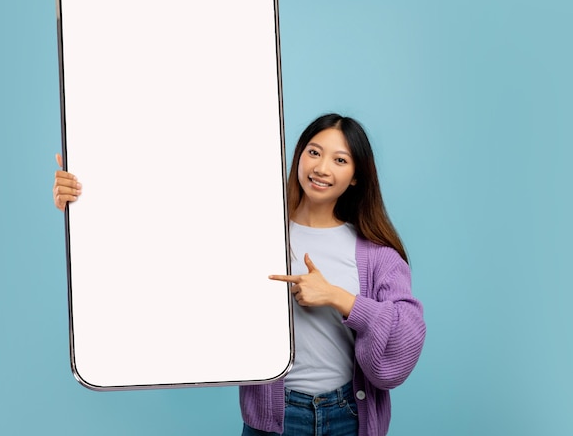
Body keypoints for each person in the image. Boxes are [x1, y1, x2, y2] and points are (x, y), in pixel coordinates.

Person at [52, 113, 425, 436]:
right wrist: (85, 198)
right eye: (314, 152)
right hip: (276, 418)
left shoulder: (376, 254)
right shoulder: (252, 232)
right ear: (299, 157)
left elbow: (405, 341)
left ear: (356, 176)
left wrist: (338, 297)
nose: (322, 167)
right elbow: (162, 235)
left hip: (348, 415)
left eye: (340, 159)